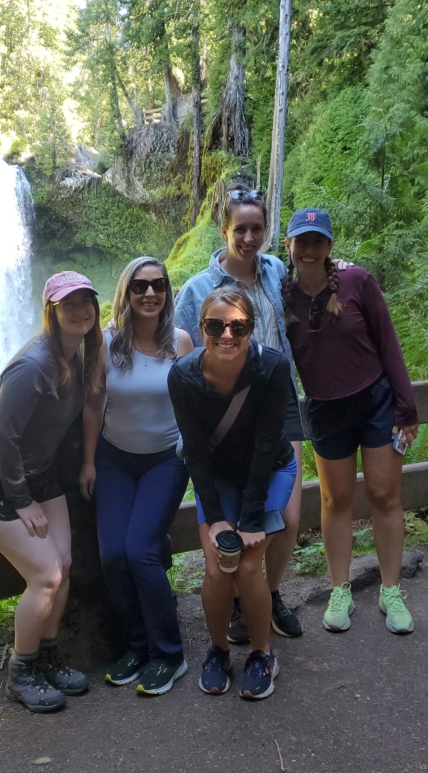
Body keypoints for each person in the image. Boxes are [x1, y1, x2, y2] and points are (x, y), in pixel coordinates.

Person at [0, 271, 102, 712]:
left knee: (63, 562)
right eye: (68, 303)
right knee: (46, 574)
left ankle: (47, 659)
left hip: (41, 475)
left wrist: (85, 463)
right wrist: (21, 501)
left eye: (86, 301)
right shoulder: (32, 365)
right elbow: (5, 438)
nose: (79, 310)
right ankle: (20, 673)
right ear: (51, 311)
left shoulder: (79, 353)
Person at [174, 184, 307, 642]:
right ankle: (237, 602)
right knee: (239, 507)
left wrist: (339, 271)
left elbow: (309, 285)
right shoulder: (198, 290)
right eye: (240, 229)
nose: (249, 238)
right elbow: (176, 345)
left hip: (276, 394)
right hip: (226, 402)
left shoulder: (272, 270)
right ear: (224, 229)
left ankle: (268, 595)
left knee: (287, 515)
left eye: (257, 228)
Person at [282, 208, 419, 635]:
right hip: (325, 409)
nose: (309, 250)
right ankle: (340, 589)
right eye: (301, 242)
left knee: (383, 494)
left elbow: (388, 341)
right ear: (288, 246)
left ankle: (390, 590)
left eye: (317, 242)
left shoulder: (358, 281)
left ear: (329, 246)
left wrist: (406, 407)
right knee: (334, 501)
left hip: (375, 401)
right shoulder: (281, 295)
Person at [168, 285, 297, 700]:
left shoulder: (272, 368)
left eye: (238, 326)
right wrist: (217, 516)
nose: (227, 335)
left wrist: (250, 519)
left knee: (246, 566)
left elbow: (265, 446)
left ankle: (262, 654)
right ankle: (219, 650)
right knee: (216, 566)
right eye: (215, 325)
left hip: (270, 470)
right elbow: (195, 453)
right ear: (201, 327)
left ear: (251, 328)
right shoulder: (183, 375)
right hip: (218, 475)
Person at [79, 257, 194, 696]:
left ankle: (169, 654)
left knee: (140, 552)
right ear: (126, 293)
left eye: (158, 285)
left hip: (165, 459)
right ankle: (135, 646)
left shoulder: (180, 342)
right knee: (112, 555)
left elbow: (193, 402)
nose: (150, 294)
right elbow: (94, 405)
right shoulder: (107, 342)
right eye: (140, 286)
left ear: (167, 291)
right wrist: (89, 461)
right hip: (114, 460)